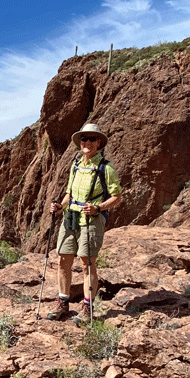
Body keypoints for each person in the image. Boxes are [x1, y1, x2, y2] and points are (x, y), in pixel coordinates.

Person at [47, 122, 122, 324]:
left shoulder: (106, 168)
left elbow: (117, 197)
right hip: (71, 217)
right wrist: (60, 207)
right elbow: (69, 194)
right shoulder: (76, 165)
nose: (87, 142)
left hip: (91, 220)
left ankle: (87, 308)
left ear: (99, 142)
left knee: (87, 263)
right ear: (80, 143)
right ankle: (62, 303)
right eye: (84, 139)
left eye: (91, 139)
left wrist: (98, 208)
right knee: (63, 260)